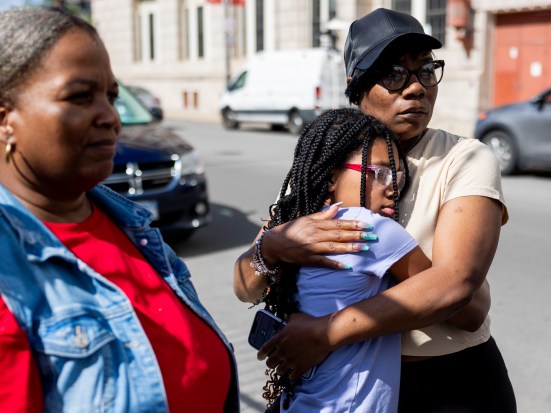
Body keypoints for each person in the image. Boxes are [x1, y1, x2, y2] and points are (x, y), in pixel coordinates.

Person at [234, 7, 516, 413]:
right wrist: (273, 249)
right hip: (342, 384)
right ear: (356, 86)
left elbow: (460, 294)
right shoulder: (325, 165)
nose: (416, 87)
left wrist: (327, 332)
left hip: (448, 384)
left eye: (424, 70)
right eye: (394, 74)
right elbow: (246, 284)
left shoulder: (464, 158)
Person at [0, 7, 238, 412]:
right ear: (5, 119)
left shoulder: (130, 224)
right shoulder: (10, 274)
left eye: (110, 96)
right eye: (80, 96)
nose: (111, 117)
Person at [256, 108, 436, 412]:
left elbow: (245, 277)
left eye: (398, 175)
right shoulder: (368, 228)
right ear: (331, 177)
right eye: (380, 173)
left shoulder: (298, 227)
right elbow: (447, 294)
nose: (393, 187)